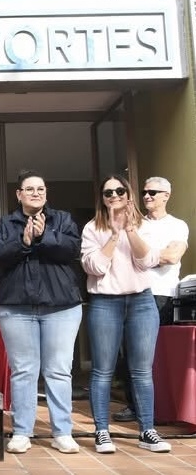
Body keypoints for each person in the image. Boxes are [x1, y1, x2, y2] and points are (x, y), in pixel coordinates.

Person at [0, 170, 83, 455]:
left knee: (59, 371)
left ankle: (62, 432)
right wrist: (24, 242)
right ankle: (21, 432)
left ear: (46, 193)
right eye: (29, 189)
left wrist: (44, 236)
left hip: (62, 306)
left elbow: (72, 250)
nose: (36, 193)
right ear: (19, 195)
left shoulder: (62, 220)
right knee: (24, 370)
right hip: (15, 307)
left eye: (40, 188)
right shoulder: (5, 223)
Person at [80, 175, 171, 454]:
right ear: (102, 198)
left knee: (142, 371)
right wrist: (114, 234)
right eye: (108, 193)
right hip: (105, 302)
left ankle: (147, 430)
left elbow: (149, 261)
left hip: (141, 301)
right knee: (102, 371)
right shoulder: (92, 228)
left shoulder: (143, 225)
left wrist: (130, 230)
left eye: (120, 191)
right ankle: (102, 431)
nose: (114, 196)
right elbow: (94, 267)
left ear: (129, 195)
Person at [112, 176, 189, 423]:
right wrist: (154, 255)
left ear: (166, 195)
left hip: (163, 295)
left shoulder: (177, 225)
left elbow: (172, 256)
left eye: (153, 192)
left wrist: (143, 256)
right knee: (130, 352)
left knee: (157, 355)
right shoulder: (136, 224)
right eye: (145, 192)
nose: (147, 196)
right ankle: (134, 406)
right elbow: (124, 258)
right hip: (134, 291)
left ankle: (162, 406)